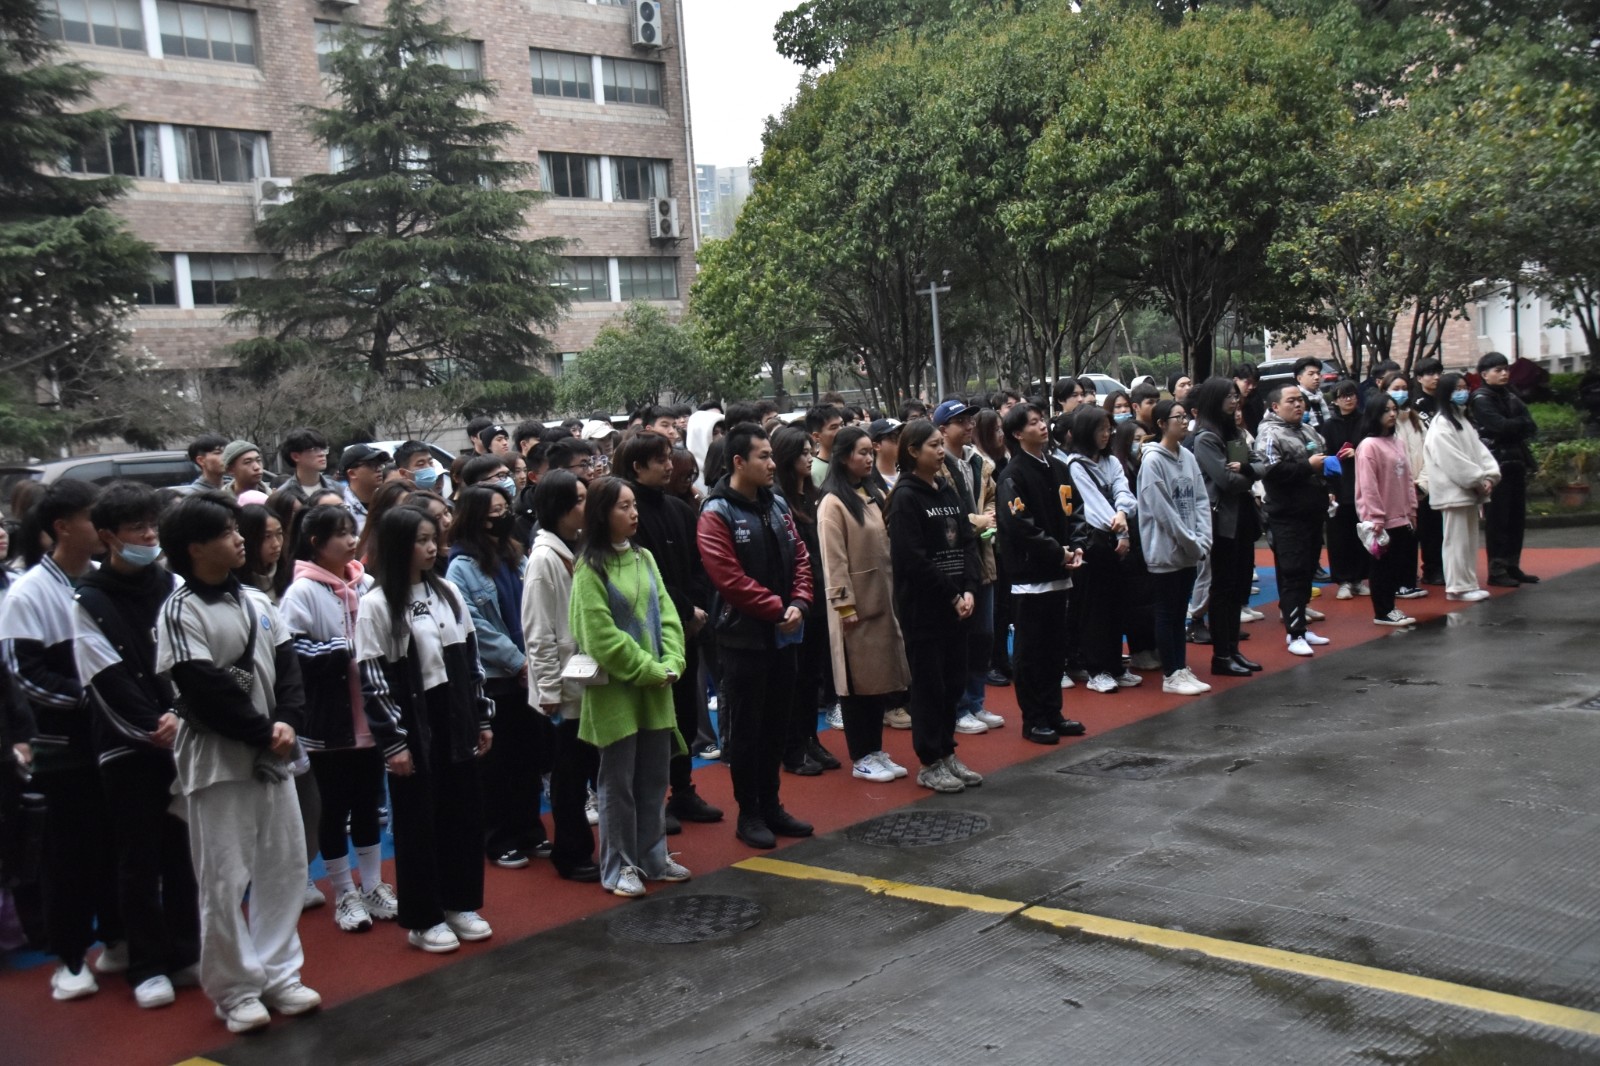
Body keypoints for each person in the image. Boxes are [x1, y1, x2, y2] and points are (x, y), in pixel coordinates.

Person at [154, 491, 320, 1032]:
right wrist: (263, 731)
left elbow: (288, 666)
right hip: (219, 761)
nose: (240, 538)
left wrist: (287, 720)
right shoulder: (180, 609)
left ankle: (279, 973)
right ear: (195, 547)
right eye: (227, 532)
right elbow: (200, 686)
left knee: (285, 867)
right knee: (223, 879)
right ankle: (236, 990)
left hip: (274, 754)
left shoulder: (256, 600)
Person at [73, 483, 199, 1009]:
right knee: (137, 860)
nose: (149, 536)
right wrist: (154, 725)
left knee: (182, 854)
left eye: (152, 526)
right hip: (127, 749)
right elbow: (105, 679)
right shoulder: (87, 600)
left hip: (184, 739)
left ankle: (186, 950)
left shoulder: (174, 584)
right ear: (107, 537)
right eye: (136, 529)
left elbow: (194, 658)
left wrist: (183, 714)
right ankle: (146, 965)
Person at [0, 480, 124, 1003]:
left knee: (116, 845)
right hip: (62, 748)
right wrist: (94, 698)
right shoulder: (29, 592)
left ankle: (117, 939)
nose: (103, 527)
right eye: (93, 517)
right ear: (61, 527)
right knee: (67, 856)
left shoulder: (103, 579)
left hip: (114, 740)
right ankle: (70, 958)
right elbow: (23, 673)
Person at [356, 506, 494, 954]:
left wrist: (482, 716)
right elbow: (374, 681)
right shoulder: (378, 604)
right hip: (413, 722)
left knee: (462, 813)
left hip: (455, 715)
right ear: (399, 545)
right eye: (421, 540)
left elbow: (471, 659)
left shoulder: (448, 592)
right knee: (419, 822)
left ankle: (459, 903)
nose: (432, 547)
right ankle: (423, 918)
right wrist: (393, 742)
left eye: (434, 538)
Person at [567, 477, 689, 898]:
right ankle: (619, 866)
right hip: (616, 694)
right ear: (602, 514)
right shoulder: (589, 567)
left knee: (654, 778)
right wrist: (649, 669)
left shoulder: (643, 557)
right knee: (617, 786)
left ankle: (653, 857)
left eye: (634, 504)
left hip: (656, 686)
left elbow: (667, 614)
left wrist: (673, 660)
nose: (634, 513)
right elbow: (598, 637)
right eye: (624, 506)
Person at [697, 423, 815, 850]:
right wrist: (777, 609)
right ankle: (749, 813)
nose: (771, 464)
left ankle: (772, 805)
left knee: (777, 725)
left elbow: (800, 557)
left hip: (784, 633)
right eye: (763, 457)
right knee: (747, 731)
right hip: (743, 638)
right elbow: (729, 579)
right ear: (738, 462)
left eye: (771, 456)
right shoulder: (716, 513)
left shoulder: (777, 502)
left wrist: (799, 603)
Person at [279, 505, 394, 935]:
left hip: (370, 716)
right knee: (333, 808)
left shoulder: (365, 583)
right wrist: (347, 647)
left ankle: (373, 884)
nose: (350, 541)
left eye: (352, 532)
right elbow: (292, 652)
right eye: (341, 534)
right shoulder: (302, 592)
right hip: (328, 723)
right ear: (316, 543)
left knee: (367, 804)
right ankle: (344, 890)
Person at [615, 432, 723, 824]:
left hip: (686, 628)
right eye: (660, 459)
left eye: (668, 457)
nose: (669, 466)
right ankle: (651, 799)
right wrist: (685, 610)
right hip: (648, 632)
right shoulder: (627, 516)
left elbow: (699, 566)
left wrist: (694, 610)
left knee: (684, 714)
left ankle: (683, 790)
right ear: (637, 467)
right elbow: (647, 578)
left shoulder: (678, 508)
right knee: (654, 720)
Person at [445, 486, 542, 870]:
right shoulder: (461, 567)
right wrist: (518, 662)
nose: (505, 518)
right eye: (496, 513)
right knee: (497, 765)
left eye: (505, 509)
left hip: (530, 669)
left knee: (528, 757)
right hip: (497, 677)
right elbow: (475, 626)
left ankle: (530, 828)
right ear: (476, 519)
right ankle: (500, 838)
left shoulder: (516, 555)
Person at [886, 420, 983, 793]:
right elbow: (912, 558)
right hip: (925, 609)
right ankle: (929, 761)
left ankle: (946, 751)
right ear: (912, 451)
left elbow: (967, 541)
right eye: (933, 445)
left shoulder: (946, 489)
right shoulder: (905, 497)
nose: (941, 451)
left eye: (942, 444)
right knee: (930, 686)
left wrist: (969, 589)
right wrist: (952, 595)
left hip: (957, 606)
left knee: (954, 682)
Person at [818, 426, 911, 784]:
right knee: (856, 683)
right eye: (861, 453)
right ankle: (861, 755)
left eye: (870, 452)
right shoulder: (832, 502)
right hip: (855, 607)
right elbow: (834, 560)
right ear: (843, 458)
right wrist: (844, 605)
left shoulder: (872, 493)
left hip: (882, 599)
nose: (869, 459)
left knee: (877, 679)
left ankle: (875, 749)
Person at [522, 471, 599, 883]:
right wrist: (549, 689)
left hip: (584, 677)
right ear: (560, 507)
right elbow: (538, 633)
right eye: (580, 499)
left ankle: (583, 847)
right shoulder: (543, 559)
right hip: (564, 686)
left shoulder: (577, 547)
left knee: (584, 767)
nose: (588, 506)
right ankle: (570, 853)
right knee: (569, 777)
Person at [995, 404, 1087, 746]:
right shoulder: (1013, 475)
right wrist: (1056, 551)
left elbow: (1075, 511)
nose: (1042, 426)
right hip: (1030, 577)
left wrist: (1077, 547)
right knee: (1031, 651)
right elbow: (1018, 525)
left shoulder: (1059, 468)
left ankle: (1053, 712)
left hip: (1060, 571)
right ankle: (1033, 719)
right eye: (1033, 423)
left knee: (1054, 648)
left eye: (1042, 420)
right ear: (1018, 433)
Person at [771, 426, 840, 776]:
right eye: (802, 452)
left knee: (812, 675)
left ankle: (810, 738)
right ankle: (793, 745)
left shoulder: (814, 494)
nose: (810, 457)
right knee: (794, 679)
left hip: (819, 596)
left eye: (809, 450)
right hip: (796, 600)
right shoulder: (778, 500)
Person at [934, 401, 1005, 732]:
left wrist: (990, 515)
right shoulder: (937, 466)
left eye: (969, 419)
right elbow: (945, 516)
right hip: (953, 563)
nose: (968, 426)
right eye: (959, 421)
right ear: (942, 429)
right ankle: (959, 707)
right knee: (958, 638)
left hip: (982, 558)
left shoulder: (979, 462)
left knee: (983, 636)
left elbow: (991, 496)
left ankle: (976, 701)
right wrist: (978, 521)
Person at [1060, 405, 1141, 695]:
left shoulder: (1111, 461)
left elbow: (1124, 492)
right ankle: (1097, 670)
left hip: (1116, 538)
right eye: (1100, 430)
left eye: (1108, 429)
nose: (1106, 434)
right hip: (1094, 544)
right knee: (1094, 610)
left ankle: (1115, 666)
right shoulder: (1074, 465)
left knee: (1116, 605)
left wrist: (1122, 514)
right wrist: (1120, 527)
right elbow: (1092, 506)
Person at [1138, 401, 1214, 695]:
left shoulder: (1188, 457)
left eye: (1185, 417)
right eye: (1177, 417)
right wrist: (1190, 541)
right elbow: (1163, 511)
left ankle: (1181, 667)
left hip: (1190, 549)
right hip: (1165, 550)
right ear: (1161, 424)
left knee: (1180, 610)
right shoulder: (1152, 462)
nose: (1184, 422)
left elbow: (1200, 500)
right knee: (1166, 612)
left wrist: (1203, 538)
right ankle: (1170, 673)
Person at [1189, 379, 1263, 678]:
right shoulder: (1206, 437)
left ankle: (1233, 649)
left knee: (1237, 588)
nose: (1235, 401)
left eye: (1235, 396)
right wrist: (1248, 473)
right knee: (1222, 589)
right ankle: (1221, 655)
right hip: (1221, 523)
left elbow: (1260, 465)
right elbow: (1226, 480)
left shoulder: (1234, 432)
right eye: (1229, 396)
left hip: (1242, 518)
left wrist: (1246, 469)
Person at [1255, 386, 1333, 656]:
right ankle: (1294, 632)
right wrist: (1308, 466)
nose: (1298, 405)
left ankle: (1302, 626)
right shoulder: (1269, 433)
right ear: (1275, 407)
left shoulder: (1308, 429)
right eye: (1291, 401)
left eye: (1300, 400)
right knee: (1292, 572)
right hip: (1286, 515)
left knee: (1307, 570)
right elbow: (1270, 470)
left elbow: (1321, 457)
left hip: (1312, 510)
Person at [1423, 374, 1499, 602]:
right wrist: (1478, 480)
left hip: (1468, 492)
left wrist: (1489, 476)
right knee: (1456, 542)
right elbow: (1453, 460)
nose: (1463, 392)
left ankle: (1468, 584)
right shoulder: (1441, 424)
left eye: (1465, 387)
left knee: (1468, 541)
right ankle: (1457, 586)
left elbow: (1480, 453)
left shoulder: (1462, 420)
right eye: (1457, 388)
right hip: (1453, 493)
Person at [1468, 352, 1539, 587]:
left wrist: (1515, 426)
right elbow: (1500, 426)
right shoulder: (1481, 398)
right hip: (1495, 464)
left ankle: (1512, 565)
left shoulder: (1510, 394)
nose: (1504, 374)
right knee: (1498, 518)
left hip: (1516, 460)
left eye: (1506, 369)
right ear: (1484, 374)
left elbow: (1530, 425)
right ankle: (1496, 569)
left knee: (1516, 517)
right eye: (1498, 370)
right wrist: (1517, 425)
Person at [1354, 395, 1421, 627]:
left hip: (1401, 514)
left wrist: (1412, 508)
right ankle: (1383, 611)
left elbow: (1407, 478)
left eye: (1394, 409)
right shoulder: (1368, 446)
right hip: (1380, 518)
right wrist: (1375, 516)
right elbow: (1368, 485)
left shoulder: (1397, 441)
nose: (1392, 414)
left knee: (1395, 564)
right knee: (1381, 566)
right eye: (1386, 410)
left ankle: (1390, 606)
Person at [1376, 369, 1430, 600]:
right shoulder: (1381, 427)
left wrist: (1421, 484)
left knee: (1412, 537)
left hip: (1417, 488)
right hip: (1393, 493)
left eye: (1404, 389)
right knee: (1395, 539)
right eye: (1395, 389)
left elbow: (1428, 454)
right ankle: (1397, 583)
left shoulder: (1416, 420)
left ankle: (1409, 580)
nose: (1401, 393)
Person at [1319, 381, 1368, 600]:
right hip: (1339, 485)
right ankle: (1343, 580)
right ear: (1335, 401)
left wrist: (1358, 452)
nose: (1348, 399)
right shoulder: (1329, 426)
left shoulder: (1366, 422)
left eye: (1351, 395)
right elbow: (1326, 456)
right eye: (1342, 396)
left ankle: (1359, 578)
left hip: (1362, 483)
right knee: (1339, 536)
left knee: (1361, 533)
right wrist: (1329, 487)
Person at [1409, 358, 1447, 585]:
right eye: (1430, 374)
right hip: (1425, 469)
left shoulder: (1446, 400)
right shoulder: (1416, 405)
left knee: (1444, 524)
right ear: (1419, 378)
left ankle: (1445, 565)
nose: (1436, 378)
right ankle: (1431, 568)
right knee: (1428, 524)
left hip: (1447, 468)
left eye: (1438, 373)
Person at [234, 504, 288, 602]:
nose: (276, 544)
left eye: (279, 534)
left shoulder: (289, 576)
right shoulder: (235, 585)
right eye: (267, 536)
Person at [339, 444, 391, 537]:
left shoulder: (389, 499)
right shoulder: (341, 508)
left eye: (380, 464)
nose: (379, 469)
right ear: (352, 473)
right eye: (371, 465)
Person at [279, 430, 337, 500]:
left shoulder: (338, 489)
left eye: (323, 449)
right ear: (295, 456)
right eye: (315, 449)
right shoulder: (283, 495)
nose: (322, 454)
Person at [806, 404, 845, 486]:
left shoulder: (851, 462)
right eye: (833, 427)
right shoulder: (813, 471)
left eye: (842, 425)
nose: (841, 430)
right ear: (816, 436)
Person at [1293, 356, 1330, 428]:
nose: (1316, 377)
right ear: (1299, 378)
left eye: (1318, 373)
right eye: (1311, 374)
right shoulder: (1295, 400)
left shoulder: (1322, 397)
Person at [869, 418, 902, 490]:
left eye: (902, 437)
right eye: (895, 438)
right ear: (876, 446)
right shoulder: (871, 484)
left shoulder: (909, 473)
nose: (901, 442)